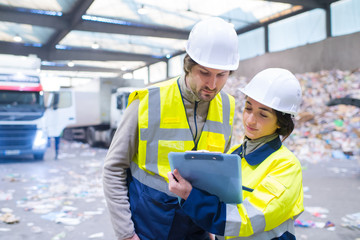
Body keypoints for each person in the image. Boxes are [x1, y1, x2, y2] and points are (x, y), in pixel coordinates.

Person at [103, 17, 240, 240]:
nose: (212, 85)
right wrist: (126, 234)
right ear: (188, 65)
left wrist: (214, 229)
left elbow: (219, 176)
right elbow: (113, 168)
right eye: (204, 73)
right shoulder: (147, 101)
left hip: (198, 227)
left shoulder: (227, 107)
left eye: (221, 75)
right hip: (148, 226)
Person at [168, 68, 304, 240]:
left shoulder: (286, 166)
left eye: (263, 114)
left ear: (280, 122)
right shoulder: (235, 155)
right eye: (248, 108)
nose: (250, 120)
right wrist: (198, 174)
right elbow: (221, 202)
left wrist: (191, 195)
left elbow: (246, 219)